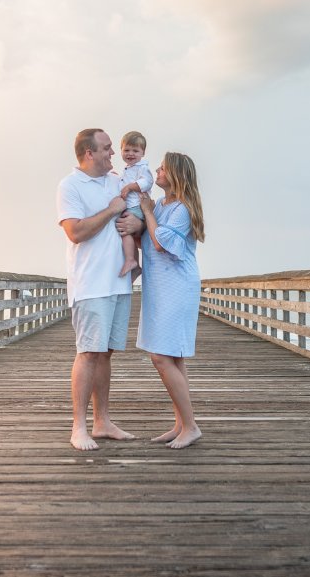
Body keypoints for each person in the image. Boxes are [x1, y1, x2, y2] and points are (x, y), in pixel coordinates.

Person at [56, 128, 142, 451]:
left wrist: (138, 224)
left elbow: (134, 215)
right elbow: (75, 232)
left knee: (106, 353)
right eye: (107, 148)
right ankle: (79, 426)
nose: (113, 153)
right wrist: (110, 210)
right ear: (89, 153)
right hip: (90, 284)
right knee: (88, 352)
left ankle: (102, 421)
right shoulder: (70, 186)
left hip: (118, 282)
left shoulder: (115, 180)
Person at [135, 151, 206, 449]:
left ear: (176, 174)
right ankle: (181, 424)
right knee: (174, 356)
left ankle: (190, 426)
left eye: (163, 168)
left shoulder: (182, 208)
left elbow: (161, 242)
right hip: (160, 287)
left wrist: (148, 212)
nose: (158, 171)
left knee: (161, 356)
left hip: (177, 287)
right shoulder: (163, 204)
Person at [116, 131, 154, 278]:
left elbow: (147, 182)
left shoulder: (142, 168)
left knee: (125, 230)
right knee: (127, 234)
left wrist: (131, 186)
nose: (130, 154)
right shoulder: (127, 169)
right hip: (131, 206)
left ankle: (131, 260)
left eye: (135, 150)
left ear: (143, 153)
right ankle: (135, 264)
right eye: (126, 150)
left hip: (136, 207)